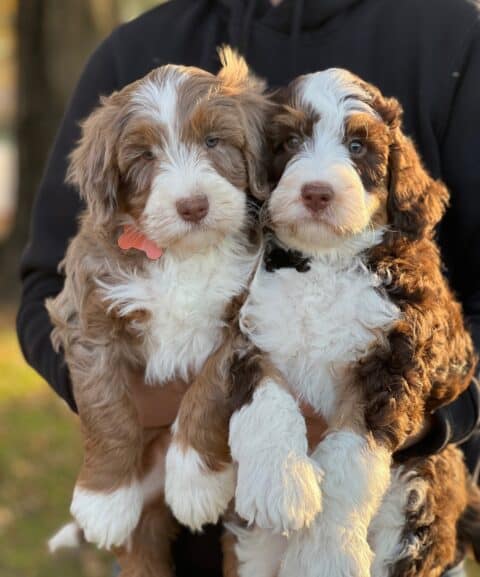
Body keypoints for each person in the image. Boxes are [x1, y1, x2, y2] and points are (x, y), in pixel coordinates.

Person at [17, 1, 480, 575]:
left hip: (392, 517)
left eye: (216, 144)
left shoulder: (455, 38)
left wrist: (412, 424)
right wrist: (146, 416)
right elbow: (45, 285)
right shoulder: (134, 48)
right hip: (193, 537)